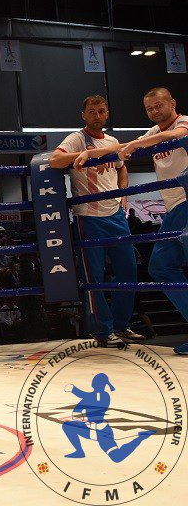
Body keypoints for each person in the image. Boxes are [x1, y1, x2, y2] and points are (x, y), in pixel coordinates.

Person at [74, 87, 188, 355]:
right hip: (175, 207)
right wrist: (90, 154)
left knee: (162, 266)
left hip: (185, 200)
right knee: (161, 267)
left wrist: (138, 145)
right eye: (149, 109)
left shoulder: (183, 122)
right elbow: (122, 147)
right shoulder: (153, 132)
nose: (155, 111)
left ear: (173, 103)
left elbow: (177, 135)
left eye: (159, 106)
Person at [49, 95, 142, 347]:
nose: (97, 115)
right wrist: (84, 155)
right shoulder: (76, 138)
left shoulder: (112, 142)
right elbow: (55, 160)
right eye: (92, 111)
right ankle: (103, 330)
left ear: (107, 114)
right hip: (88, 217)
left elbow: (122, 167)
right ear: (84, 115)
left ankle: (122, 325)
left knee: (129, 271)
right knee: (94, 277)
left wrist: (123, 193)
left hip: (115, 214)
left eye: (101, 111)